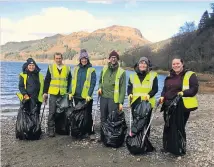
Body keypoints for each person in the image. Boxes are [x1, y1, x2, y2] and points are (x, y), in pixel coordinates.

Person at [159, 58, 199, 155]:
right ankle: (167, 147)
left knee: (178, 126)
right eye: (174, 64)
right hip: (168, 105)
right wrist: (162, 96)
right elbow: (165, 88)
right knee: (168, 125)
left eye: (178, 63)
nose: (175, 65)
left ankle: (178, 149)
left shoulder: (190, 75)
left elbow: (194, 89)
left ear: (182, 64)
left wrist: (183, 93)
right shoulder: (170, 76)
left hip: (181, 105)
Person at [98, 50, 126, 140]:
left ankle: (110, 137)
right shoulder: (104, 69)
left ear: (117, 59)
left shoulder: (122, 72)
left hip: (113, 99)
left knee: (112, 118)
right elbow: (100, 81)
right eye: (111, 57)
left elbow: (123, 88)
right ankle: (103, 135)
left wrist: (121, 102)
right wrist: (99, 88)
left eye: (115, 57)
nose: (113, 59)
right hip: (103, 97)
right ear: (109, 59)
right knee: (103, 117)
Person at [69, 49, 96, 139]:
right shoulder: (76, 69)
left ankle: (90, 131)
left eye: (85, 58)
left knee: (87, 114)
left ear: (87, 59)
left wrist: (89, 94)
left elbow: (92, 83)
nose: (84, 60)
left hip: (86, 97)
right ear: (80, 59)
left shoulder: (91, 70)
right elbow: (72, 81)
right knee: (78, 114)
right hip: (76, 95)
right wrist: (70, 92)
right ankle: (80, 130)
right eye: (82, 59)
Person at [127, 57, 158, 136]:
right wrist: (129, 93)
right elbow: (129, 88)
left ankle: (145, 140)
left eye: (145, 63)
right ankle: (136, 139)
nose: (143, 65)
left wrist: (149, 95)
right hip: (135, 101)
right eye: (141, 63)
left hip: (147, 103)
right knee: (136, 121)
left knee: (145, 122)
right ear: (138, 64)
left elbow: (155, 89)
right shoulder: (132, 76)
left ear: (147, 65)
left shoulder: (153, 76)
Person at [43, 52, 71, 137]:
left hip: (63, 94)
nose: (58, 60)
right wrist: (45, 92)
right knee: (52, 112)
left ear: (62, 58)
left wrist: (69, 92)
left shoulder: (67, 68)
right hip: (53, 93)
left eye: (60, 58)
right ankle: (51, 130)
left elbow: (70, 82)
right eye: (57, 58)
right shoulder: (51, 67)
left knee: (62, 112)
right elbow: (47, 80)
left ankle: (61, 129)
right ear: (54, 59)